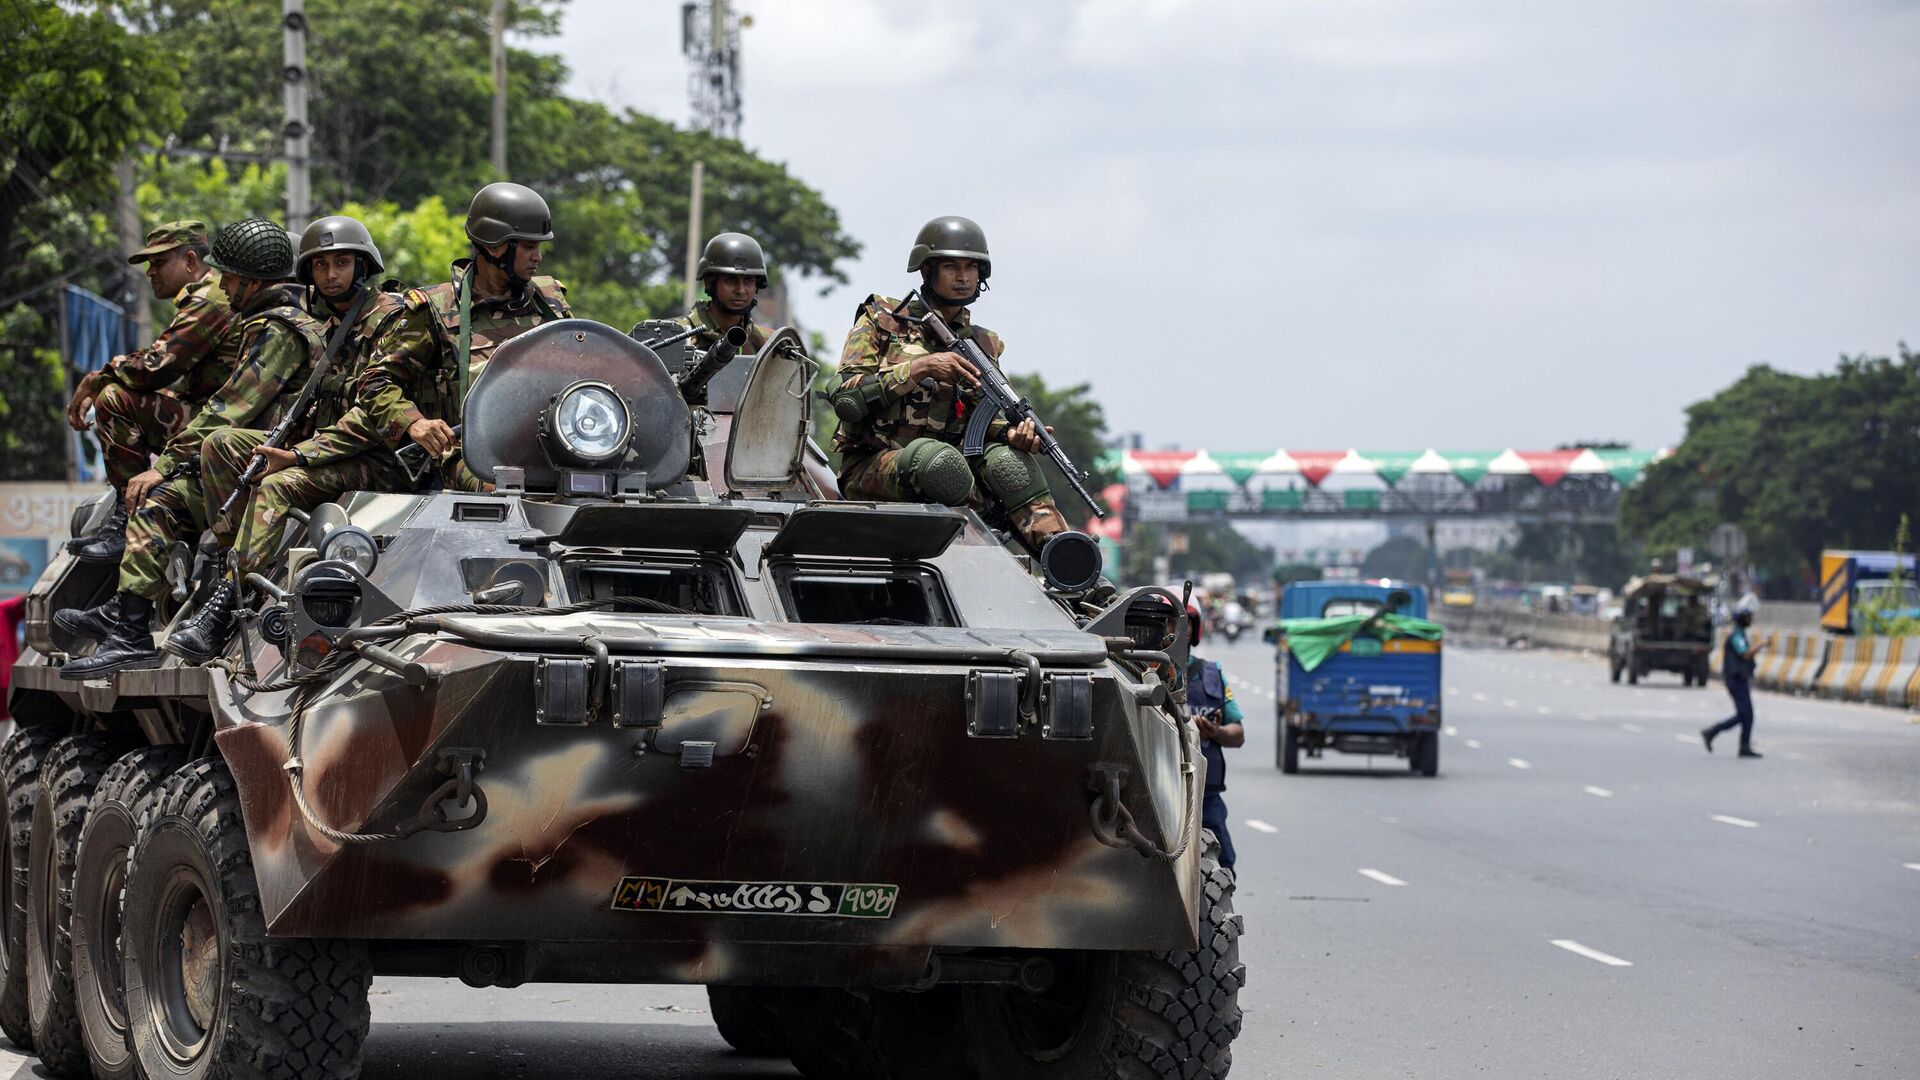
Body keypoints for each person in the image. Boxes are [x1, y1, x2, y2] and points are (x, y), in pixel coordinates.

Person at [57, 219, 325, 678]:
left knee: (185, 463)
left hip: (269, 466)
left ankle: (222, 590)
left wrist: (168, 463)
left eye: (229, 277)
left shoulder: (280, 329)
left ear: (253, 281)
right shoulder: (254, 322)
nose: (221, 284)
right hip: (237, 465)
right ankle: (130, 630)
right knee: (155, 502)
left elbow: (229, 410)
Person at [166, 216, 410, 662]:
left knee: (279, 483)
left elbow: (375, 416)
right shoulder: (327, 321)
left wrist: (298, 455)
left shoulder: (390, 319)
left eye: (342, 263)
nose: (331, 275)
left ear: (364, 265)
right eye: (320, 266)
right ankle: (230, 565)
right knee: (223, 444)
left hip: (383, 459)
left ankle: (223, 609)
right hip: (328, 450)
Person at [829, 215, 1069, 553]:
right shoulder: (882, 320)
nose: (963, 277)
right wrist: (922, 367)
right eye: (951, 267)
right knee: (936, 460)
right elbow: (844, 397)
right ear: (927, 271)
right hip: (873, 468)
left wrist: (1011, 435)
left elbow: (981, 421)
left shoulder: (983, 345)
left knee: (1007, 462)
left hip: (953, 472)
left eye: (971, 268)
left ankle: (1066, 558)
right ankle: (988, 526)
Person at [354, 182, 571, 490]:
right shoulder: (435, 307)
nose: (537, 257)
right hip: (468, 453)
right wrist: (415, 423)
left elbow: (583, 362)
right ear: (495, 246)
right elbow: (375, 382)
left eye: (539, 247)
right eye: (527, 246)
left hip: (554, 445)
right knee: (506, 495)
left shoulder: (550, 299)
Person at [64, 220, 243, 561]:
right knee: (119, 392)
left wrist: (95, 378)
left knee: (115, 398)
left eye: (159, 262)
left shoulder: (211, 299)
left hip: (225, 424)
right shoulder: (206, 296)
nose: (151, 272)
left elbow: (154, 368)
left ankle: (127, 523)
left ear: (190, 261)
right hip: (211, 414)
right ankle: (125, 514)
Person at [1186, 605, 1245, 872]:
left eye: (1182, 622)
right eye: (1164, 622)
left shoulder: (1210, 674)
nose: (1172, 630)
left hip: (1205, 794)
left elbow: (1237, 734)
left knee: (1222, 866)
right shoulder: (1133, 670)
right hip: (1152, 794)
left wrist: (1215, 731)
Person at [675, 231, 772, 393]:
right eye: (730, 280)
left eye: (748, 281)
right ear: (710, 282)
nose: (740, 290)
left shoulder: (768, 343)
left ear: (757, 285)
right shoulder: (677, 334)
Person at [1701, 608, 1768, 758]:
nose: (1750, 620)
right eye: (1748, 618)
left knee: (1746, 715)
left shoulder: (1740, 634)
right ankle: (1713, 731)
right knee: (1745, 714)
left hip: (1739, 679)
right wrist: (1761, 645)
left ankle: (1742, 745)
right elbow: (1744, 654)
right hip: (1735, 680)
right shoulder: (1736, 636)